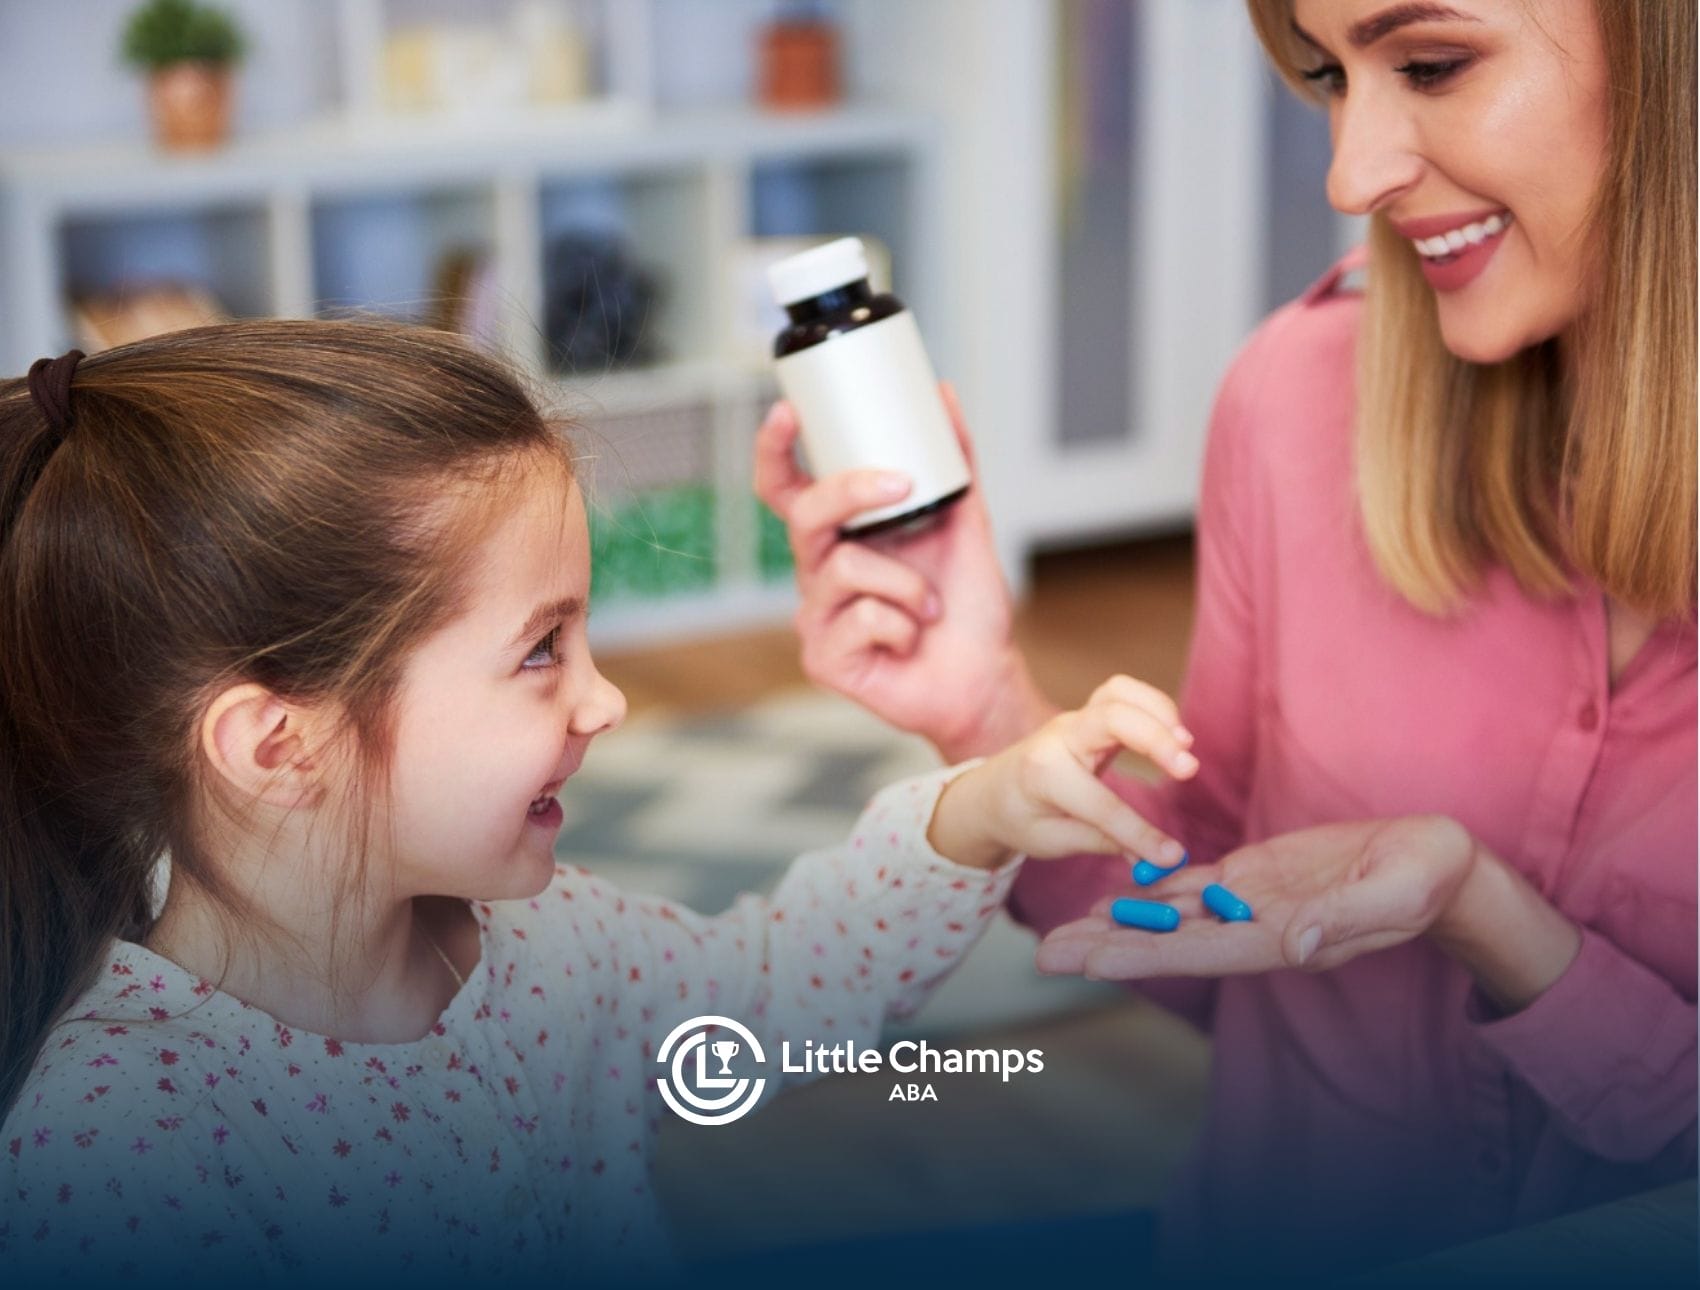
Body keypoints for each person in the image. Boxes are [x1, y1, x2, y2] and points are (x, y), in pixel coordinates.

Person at [754, 0, 1695, 1275]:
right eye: (1326, 75)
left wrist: (1497, 924)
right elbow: (1213, 923)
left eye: (1429, 65)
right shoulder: (1296, 398)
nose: (1350, 170)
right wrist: (984, 708)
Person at [0, 320, 1200, 1284]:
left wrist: (981, 805)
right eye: (540, 650)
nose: (603, 701)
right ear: (278, 746)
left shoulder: (546, 946)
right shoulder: (116, 1143)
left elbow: (775, 986)